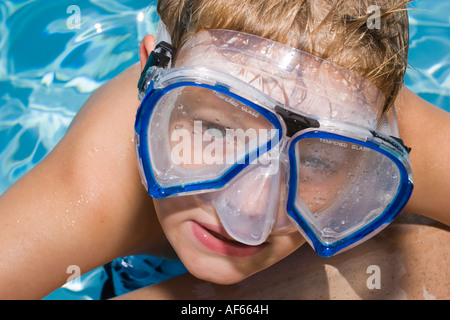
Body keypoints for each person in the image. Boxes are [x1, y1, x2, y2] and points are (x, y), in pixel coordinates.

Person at [0, 0, 448, 300]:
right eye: (214, 131)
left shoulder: (380, 128)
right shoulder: (93, 187)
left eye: (316, 160)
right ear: (147, 76)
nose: (249, 217)